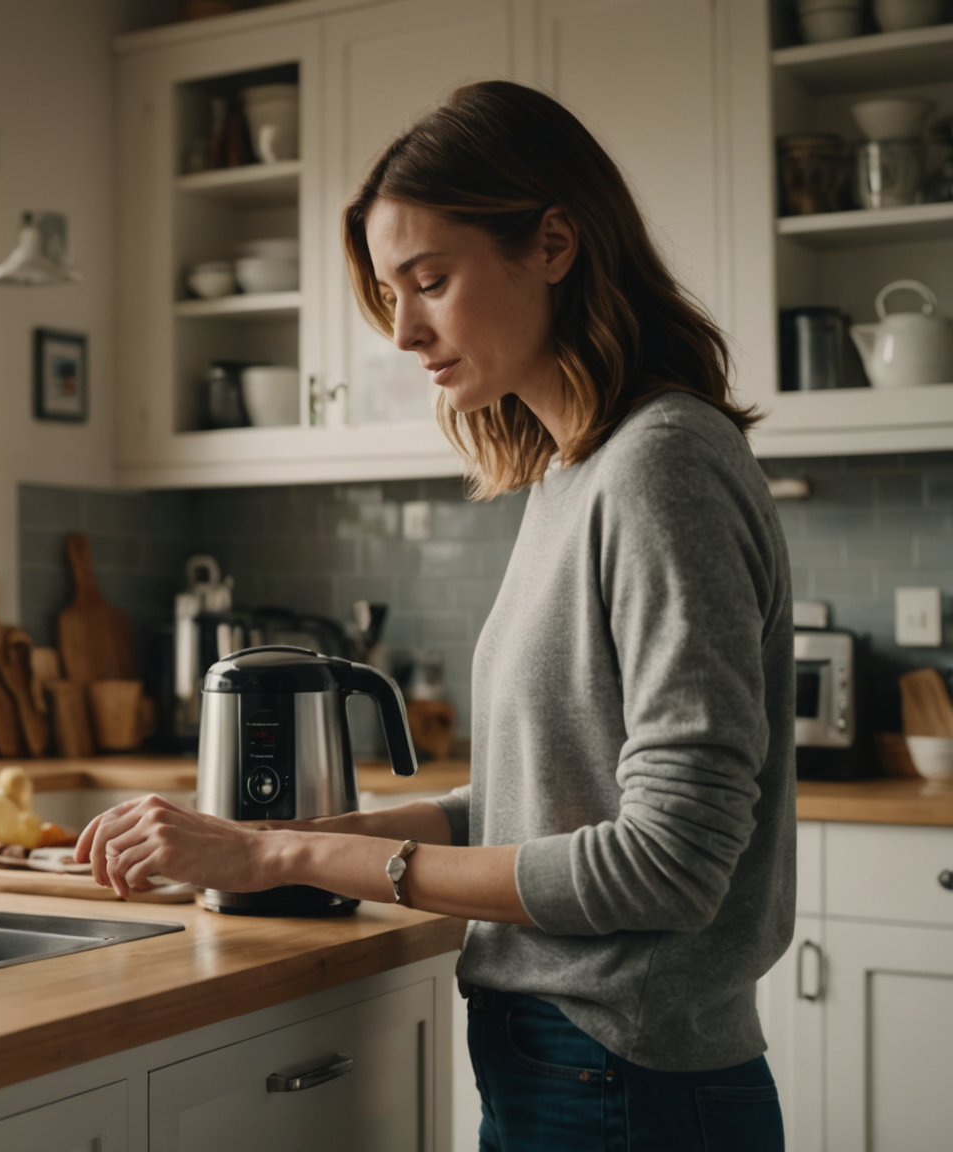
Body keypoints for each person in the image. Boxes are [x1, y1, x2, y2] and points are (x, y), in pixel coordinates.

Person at [75, 80, 793, 1151]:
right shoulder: (574, 475)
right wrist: (265, 841)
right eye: (390, 294)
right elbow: (531, 809)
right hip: (564, 1066)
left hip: (625, 1083)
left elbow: (667, 865)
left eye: (431, 281)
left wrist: (287, 862)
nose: (405, 331)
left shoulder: (662, 465)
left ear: (554, 243)